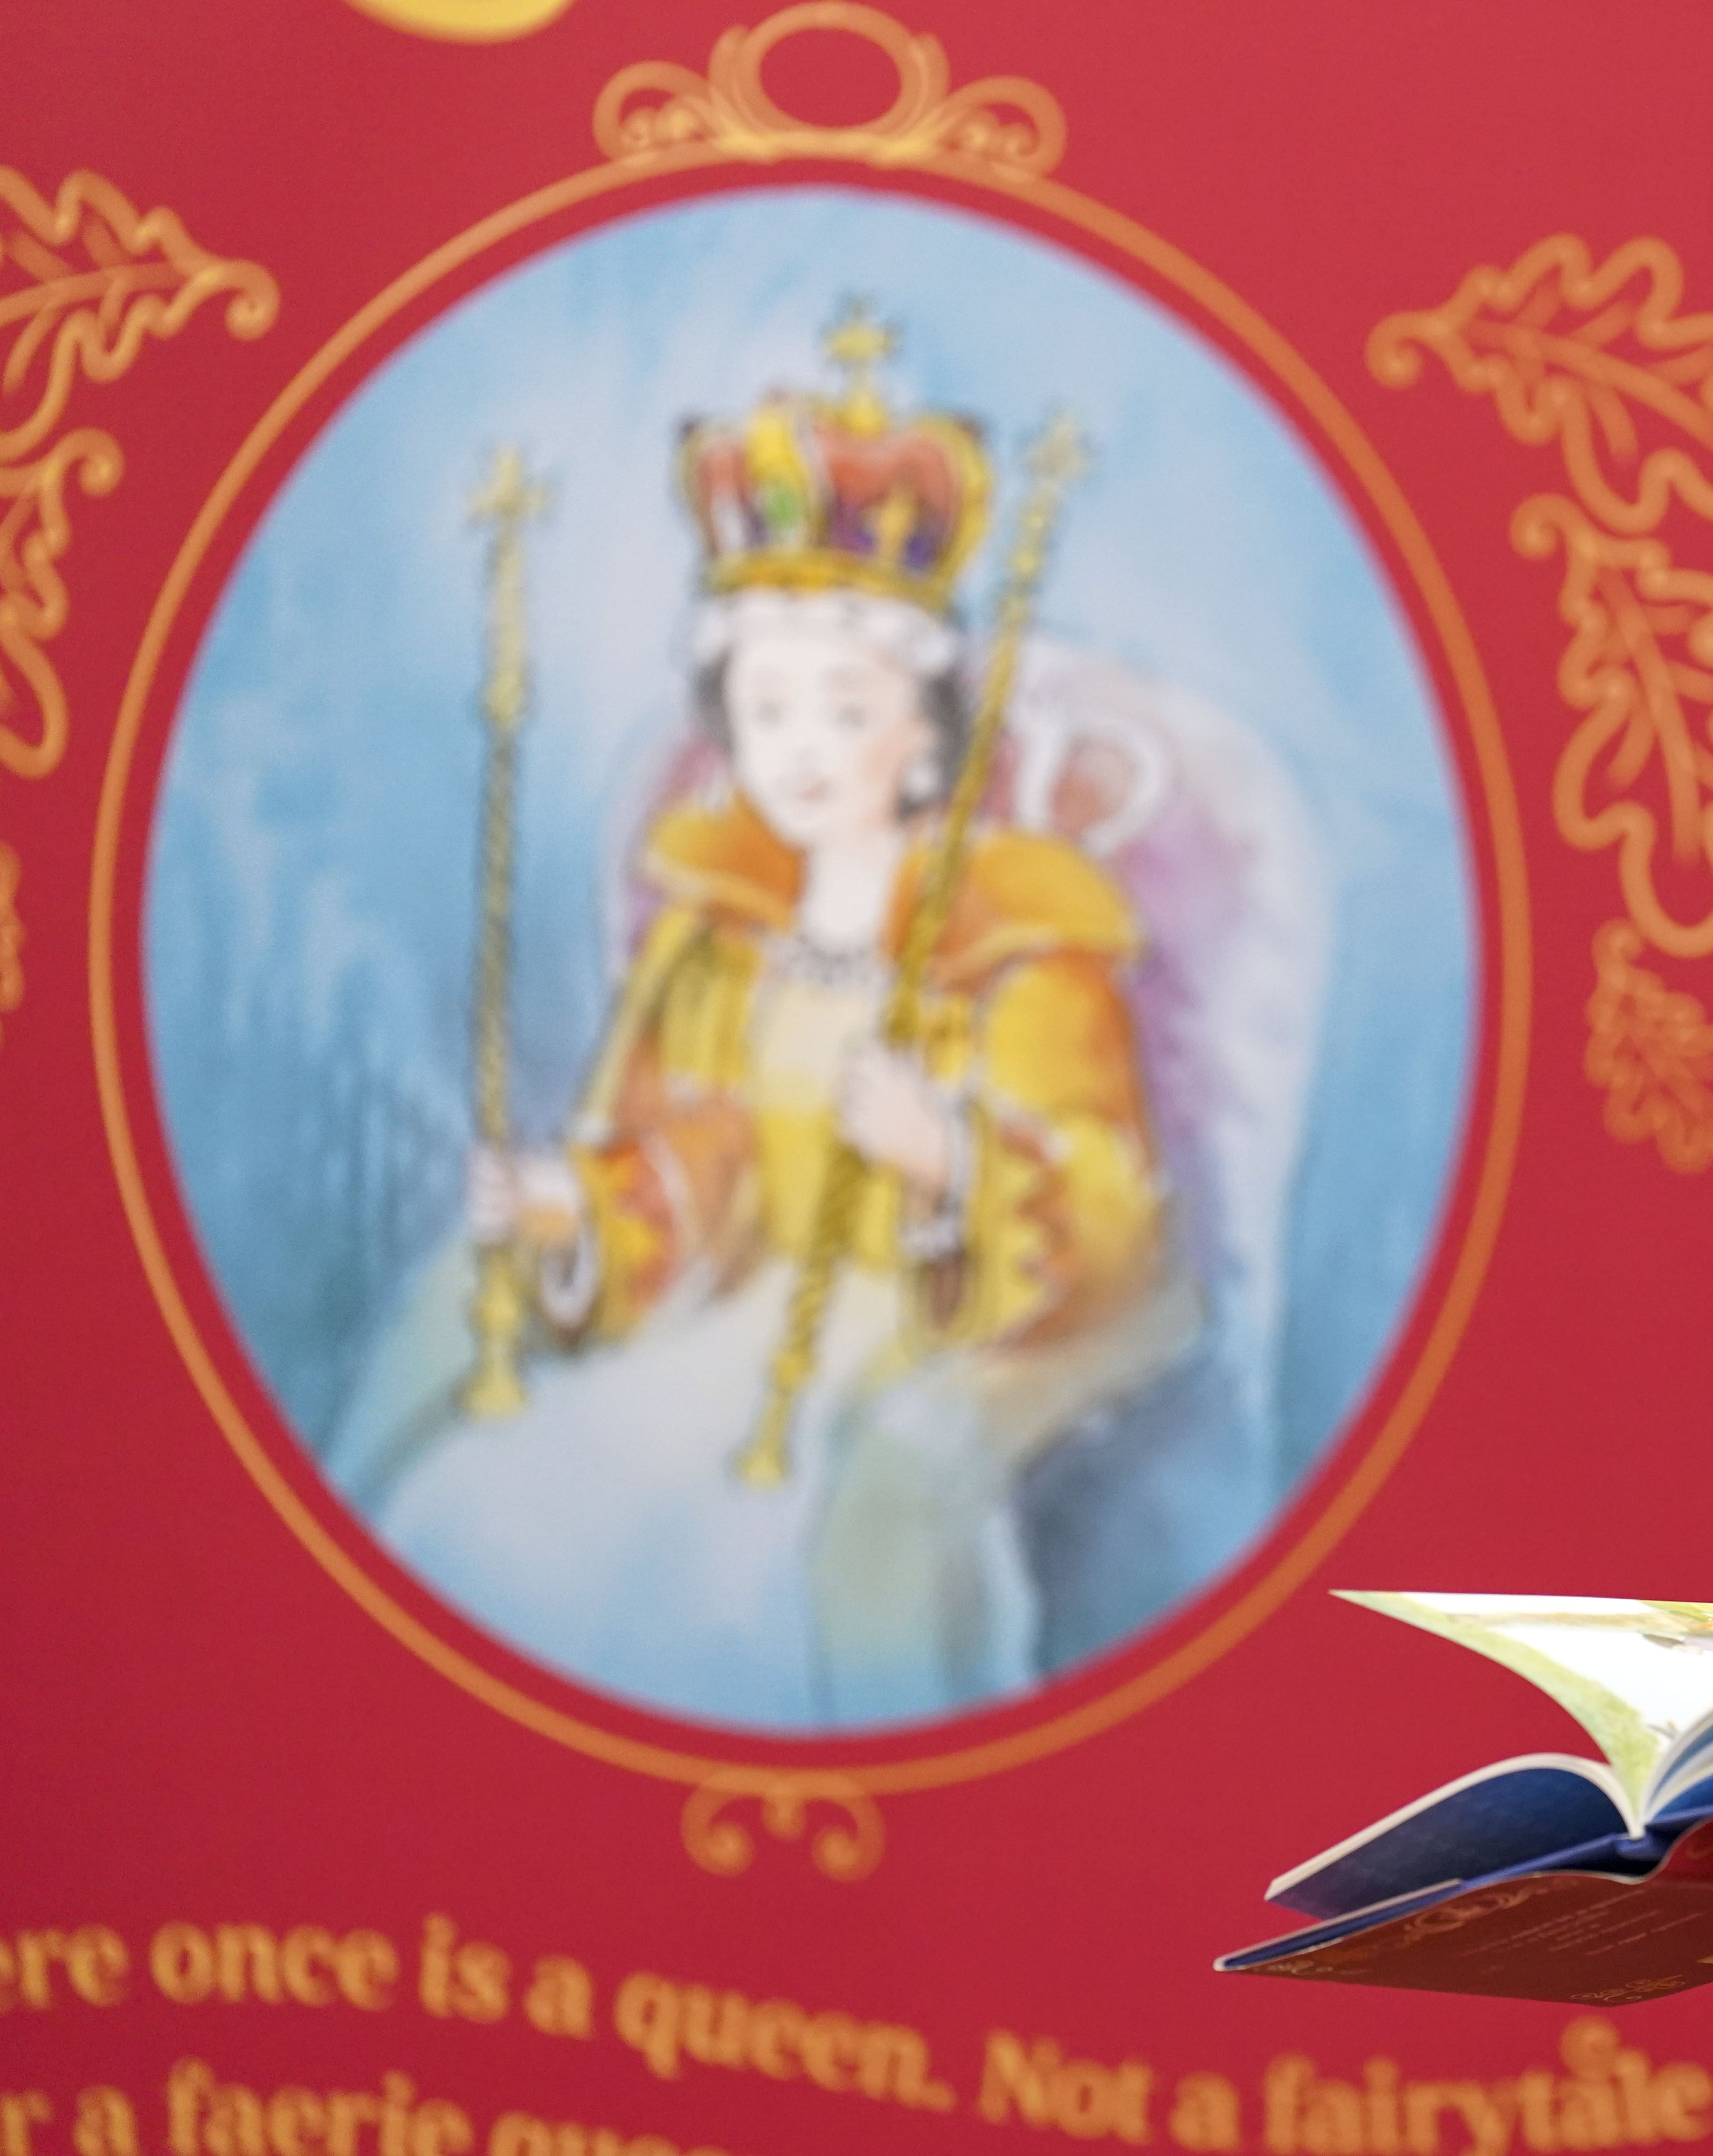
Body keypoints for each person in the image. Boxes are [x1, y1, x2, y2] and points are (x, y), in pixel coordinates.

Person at [367, 347, 1199, 1731]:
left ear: (922, 734)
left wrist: (948, 1158)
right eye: (764, 708)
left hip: (900, 1330)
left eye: (842, 708)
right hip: (730, 1316)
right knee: (501, 1505)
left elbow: (1112, 1213)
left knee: (752, 1571)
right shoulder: (718, 923)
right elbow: (682, 1138)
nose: (797, 747)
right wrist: (578, 1198)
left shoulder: (1015, 936)